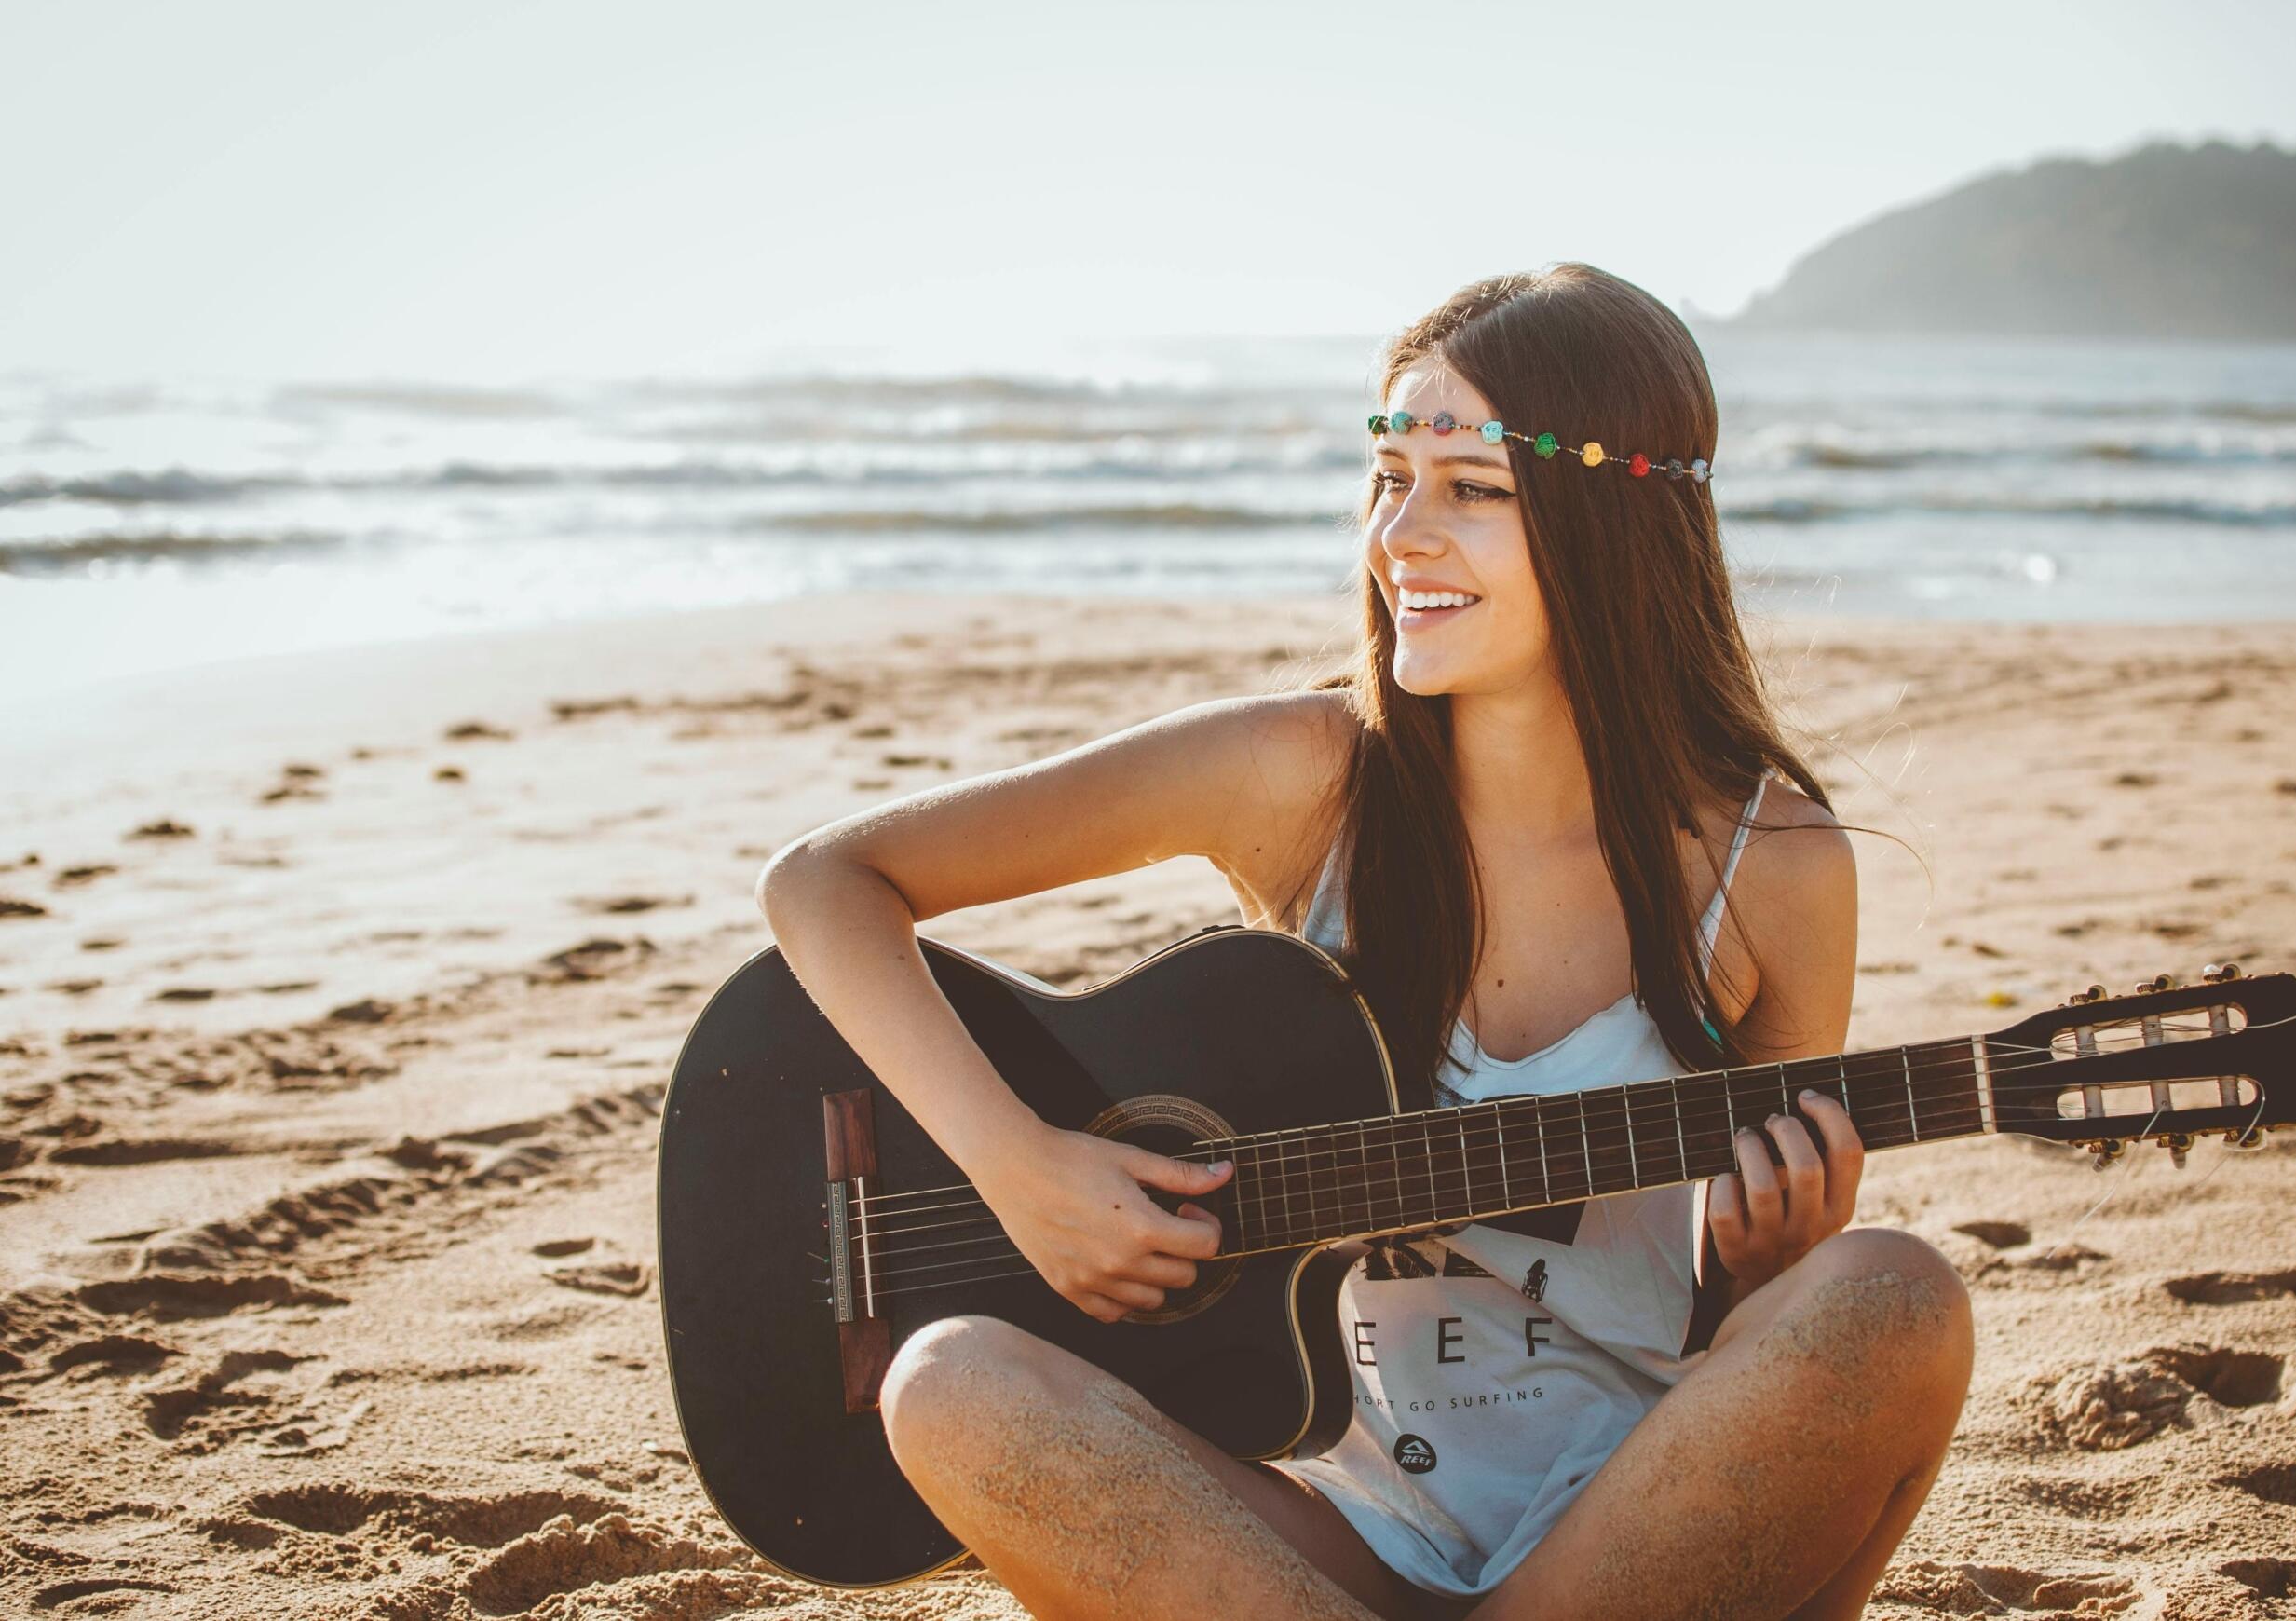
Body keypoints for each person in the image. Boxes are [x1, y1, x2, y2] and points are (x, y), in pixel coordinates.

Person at [755, 263, 1974, 1620]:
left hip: (1633, 1525)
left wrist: (1764, 1256)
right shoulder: (1303, 778)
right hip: (1312, 1533)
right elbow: (827, 883)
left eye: (1473, 489)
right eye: (1388, 476)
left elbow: (1756, 1327)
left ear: (1615, 521)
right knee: (948, 1382)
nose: (1404, 534)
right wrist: (1021, 1169)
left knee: (1893, 1294)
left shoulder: (1770, 864)